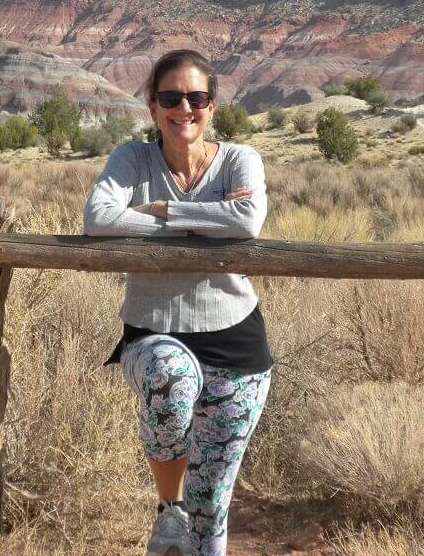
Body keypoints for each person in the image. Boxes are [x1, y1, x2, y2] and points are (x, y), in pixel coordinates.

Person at [84, 49, 273, 556]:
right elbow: (100, 218)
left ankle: (195, 528)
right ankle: (169, 510)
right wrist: (209, 217)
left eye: (197, 97)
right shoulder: (132, 159)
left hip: (236, 342)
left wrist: (165, 210)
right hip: (153, 332)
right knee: (170, 377)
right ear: (152, 105)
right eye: (171, 97)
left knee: (212, 504)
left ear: (212, 106)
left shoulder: (239, 159)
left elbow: (248, 221)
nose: (183, 108)